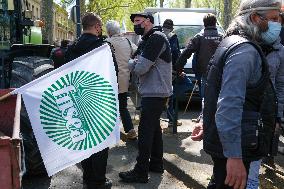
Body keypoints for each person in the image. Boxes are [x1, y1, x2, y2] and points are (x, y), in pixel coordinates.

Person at [191, 0, 280, 188]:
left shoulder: (232, 42)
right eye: (273, 18)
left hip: (235, 142)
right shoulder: (245, 51)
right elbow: (229, 104)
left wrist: (204, 121)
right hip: (238, 147)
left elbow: (215, 90)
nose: (278, 24)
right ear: (255, 18)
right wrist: (234, 156)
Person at [119, 12, 172, 183]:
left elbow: (140, 67)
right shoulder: (148, 39)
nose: (135, 25)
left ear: (148, 22)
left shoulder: (156, 38)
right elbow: (139, 61)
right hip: (154, 91)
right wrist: (135, 61)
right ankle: (156, 164)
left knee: (145, 131)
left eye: (138, 21)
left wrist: (130, 63)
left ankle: (140, 172)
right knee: (154, 130)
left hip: (155, 92)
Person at [65, 12, 115, 189]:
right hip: (99, 102)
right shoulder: (103, 48)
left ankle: (88, 178)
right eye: (100, 27)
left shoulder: (71, 48)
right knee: (100, 141)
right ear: (96, 27)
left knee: (84, 140)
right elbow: (112, 73)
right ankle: (98, 181)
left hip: (77, 101)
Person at [247, 25, 284, 189]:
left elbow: (281, 85)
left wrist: (279, 115)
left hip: (266, 112)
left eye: (277, 19)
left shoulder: (280, 51)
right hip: (244, 110)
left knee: (254, 164)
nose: (275, 23)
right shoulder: (244, 44)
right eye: (271, 18)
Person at [175, 13, 223, 99]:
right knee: (219, 98)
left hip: (204, 72)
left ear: (204, 23)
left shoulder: (199, 37)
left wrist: (178, 68)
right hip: (220, 73)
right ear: (215, 23)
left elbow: (186, 52)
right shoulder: (222, 37)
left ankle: (206, 111)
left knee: (205, 98)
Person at [105, 20, 138, 140]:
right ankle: (130, 130)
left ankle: (109, 132)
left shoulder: (106, 43)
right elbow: (137, 53)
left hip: (109, 80)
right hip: (124, 80)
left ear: (108, 32)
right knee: (122, 106)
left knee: (108, 107)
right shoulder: (128, 41)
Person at [162, 19, 182, 127]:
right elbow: (175, 53)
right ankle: (171, 120)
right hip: (170, 70)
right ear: (172, 27)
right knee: (170, 94)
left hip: (158, 71)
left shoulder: (158, 34)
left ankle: (157, 120)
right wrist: (177, 68)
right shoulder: (173, 37)